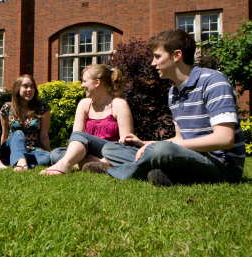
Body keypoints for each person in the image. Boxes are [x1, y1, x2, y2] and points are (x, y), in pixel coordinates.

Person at [101, 29, 245, 186]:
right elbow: (180, 139)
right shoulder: (173, 92)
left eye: (157, 56)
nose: (152, 63)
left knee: (162, 151)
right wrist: (145, 143)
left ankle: (119, 170)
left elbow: (225, 138)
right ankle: (162, 171)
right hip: (189, 155)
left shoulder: (214, 81)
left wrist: (158, 147)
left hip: (221, 166)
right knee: (111, 149)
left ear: (177, 55)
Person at [40, 64, 134, 175]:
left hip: (109, 151)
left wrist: (107, 157)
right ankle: (96, 164)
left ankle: (65, 165)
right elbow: (74, 138)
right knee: (56, 153)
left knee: (79, 137)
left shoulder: (119, 104)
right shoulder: (84, 104)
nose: (82, 85)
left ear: (97, 83)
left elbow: (126, 143)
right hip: (85, 151)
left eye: (84, 81)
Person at [0, 74, 51, 171]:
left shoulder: (42, 108)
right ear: (17, 88)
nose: (29, 89)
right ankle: (21, 161)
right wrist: (1, 155)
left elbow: (44, 135)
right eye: (25, 86)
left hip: (32, 150)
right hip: (12, 148)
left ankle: (22, 160)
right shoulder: (7, 108)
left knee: (49, 157)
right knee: (18, 133)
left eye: (32, 86)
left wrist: (48, 152)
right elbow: (5, 134)